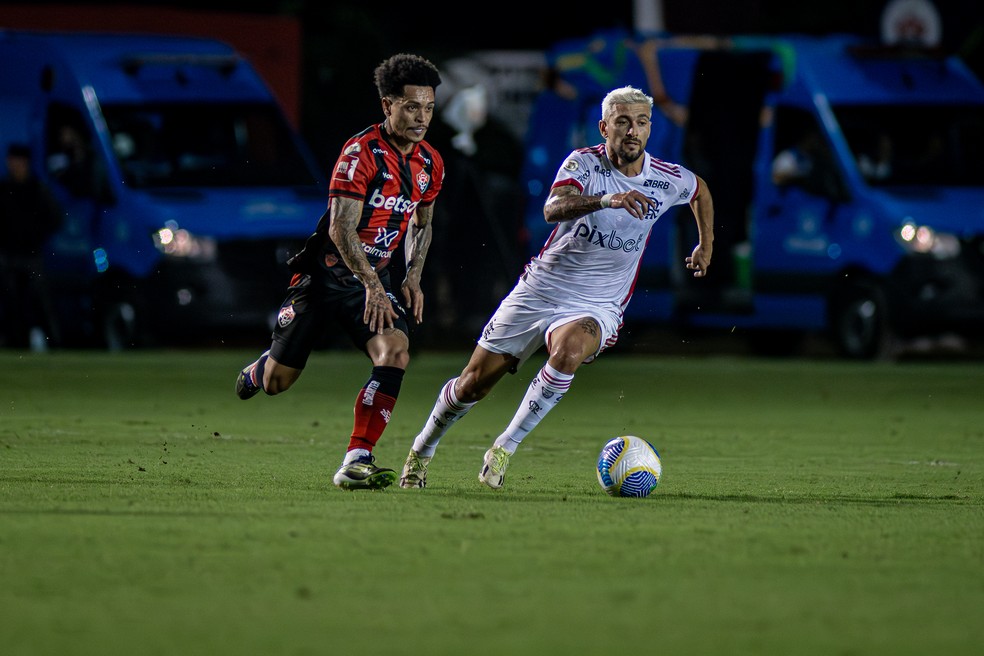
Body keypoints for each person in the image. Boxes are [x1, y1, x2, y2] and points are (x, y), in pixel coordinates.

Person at [399, 85, 714, 490]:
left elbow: (700, 191)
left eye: (641, 122)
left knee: (568, 352)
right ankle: (422, 450)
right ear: (604, 127)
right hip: (541, 290)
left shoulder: (665, 179)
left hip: (599, 303)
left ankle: (503, 449)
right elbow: (552, 208)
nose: (632, 131)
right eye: (622, 122)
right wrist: (607, 200)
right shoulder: (584, 164)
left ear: (650, 129)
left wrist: (705, 244)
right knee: (472, 384)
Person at [234, 53, 444, 491]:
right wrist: (370, 283)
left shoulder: (430, 164)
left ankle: (357, 457)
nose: (421, 117)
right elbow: (341, 228)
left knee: (396, 352)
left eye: (428, 107)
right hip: (325, 277)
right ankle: (261, 369)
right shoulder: (360, 153)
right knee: (278, 382)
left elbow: (422, 225)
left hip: (374, 282)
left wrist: (411, 279)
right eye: (411, 107)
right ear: (387, 105)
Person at [0, 143, 65, 350]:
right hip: (9, 253)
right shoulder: (4, 189)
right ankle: (14, 342)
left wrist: (37, 235)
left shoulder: (37, 189)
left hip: (31, 254)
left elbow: (55, 217)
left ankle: (54, 343)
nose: (16, 165)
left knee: (39, 301)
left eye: (19, 161)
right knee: (11, 301)